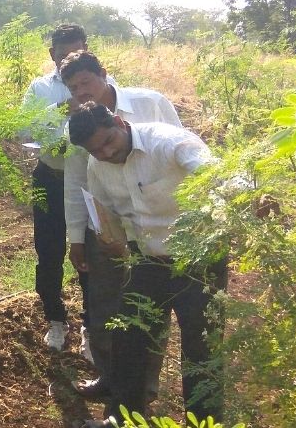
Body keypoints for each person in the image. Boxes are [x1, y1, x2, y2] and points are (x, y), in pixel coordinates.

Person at [67, 102, 225, 427]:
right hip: (147, 261)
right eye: (96, 151)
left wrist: (249, 199)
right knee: (130, 338)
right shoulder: (98, 165)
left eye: (108, 141)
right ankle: (123, 418)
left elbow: (215, 175)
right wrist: (111, 239)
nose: (106, 153)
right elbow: (105, 213)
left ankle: (204, 423)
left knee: (201, 349)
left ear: (120, 123)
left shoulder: (168, 142)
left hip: (200, 260)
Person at [60, 51, 182, 403]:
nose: (81, 92)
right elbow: (75, 182)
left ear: (103, 74)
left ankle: (142, 389)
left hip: (165, 232)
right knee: (103, 308)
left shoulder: (151, 103)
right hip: (109, 230)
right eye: (73, 87)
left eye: (86, 82)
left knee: (148, 316)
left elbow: (185, 155)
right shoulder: (76, 125)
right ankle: (110, 379)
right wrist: (76, 236)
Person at [22, 24, 116, 357]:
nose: (68, 61)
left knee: (91, 253)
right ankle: (55, 320)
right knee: (48, 252)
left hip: (92, 182)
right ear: (52, 54)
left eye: (75, 52)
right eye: (62, 55)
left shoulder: (104, 86)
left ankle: (91, 327)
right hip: (50, 175)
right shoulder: (40, 88)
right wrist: (62, 111)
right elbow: (24, 130)